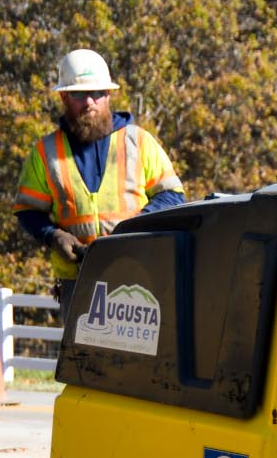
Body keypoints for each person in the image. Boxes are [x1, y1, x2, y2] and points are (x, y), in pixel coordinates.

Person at [13, 48, 186, 318]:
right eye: (80, 95)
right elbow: (27, 211)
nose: (90, 102)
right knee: (83, 360)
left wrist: (130, 229)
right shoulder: (46, 152)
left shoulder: (139, 142)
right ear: (64, 97)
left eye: (97, 94)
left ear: (109, 95)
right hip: (77, 281)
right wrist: (54, 236)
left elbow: (173, 195)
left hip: (138, 276)